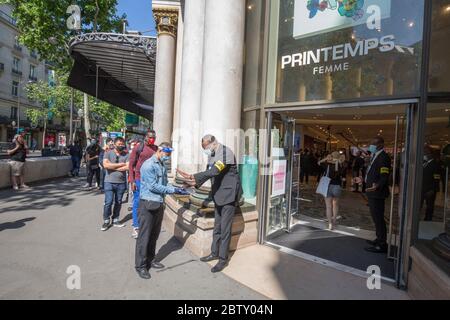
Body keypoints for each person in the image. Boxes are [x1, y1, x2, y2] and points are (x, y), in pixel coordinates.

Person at [177, 135, 242, 273]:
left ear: (213, 143)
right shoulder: (212, 154)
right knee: (217, 226)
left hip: (229, 195)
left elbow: (215, 171)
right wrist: (194, 182)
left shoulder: (226, 152)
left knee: (225, 229)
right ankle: (214, 252)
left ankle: (223, 259)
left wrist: (193, 176)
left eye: (205, 147)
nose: (205, 150)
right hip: (218, 194)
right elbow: (210, 173)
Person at [134, 142, 188, 280]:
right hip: (147, 204)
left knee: (154, 235)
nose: (168, 157)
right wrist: (173, 190)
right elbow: (153, 186)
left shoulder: (162, 165)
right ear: (159, 150)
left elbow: (164, 183)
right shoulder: (148, 165)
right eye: (167, 154)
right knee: (144, 237)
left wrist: (176, 187)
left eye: (170, 154)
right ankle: (140, 266)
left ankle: (150, 260)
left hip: (158, 204)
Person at [129, 131, 158, 239]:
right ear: (146, 137)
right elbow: (131, 165)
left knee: (150, 202)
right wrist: (132, 181)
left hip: (151, 181)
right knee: (137, 202)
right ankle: (136, 227)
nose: (152, 139)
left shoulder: (156, 148)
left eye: (154, 137)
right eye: (150, 137)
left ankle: (147, 225)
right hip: (139, 179)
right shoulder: (138, 147)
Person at [364, 136, 391, 253]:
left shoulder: (384, 157)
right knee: (375, 217)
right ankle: (379, 238)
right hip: (372, 192)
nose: (371, 145)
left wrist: (377, 185)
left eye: (373, 143)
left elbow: (384, 175)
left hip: (377, 193)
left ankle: (382, 244)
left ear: (380, 144)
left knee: (379, 218)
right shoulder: (375, 156)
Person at [101, 137, 130, 231]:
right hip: (109, 181)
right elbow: (105, 165)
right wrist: (121, 164)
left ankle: (115, 219)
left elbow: (128, 167)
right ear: (114, 143)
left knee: (118, 202)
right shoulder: (108, 152)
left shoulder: (127, 154)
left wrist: (112, 166)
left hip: (121, 183)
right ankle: (106, 220)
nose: (121, 145)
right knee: (108, 202)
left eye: (122, 144)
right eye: (119, 144)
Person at [318, 151, 344, 230]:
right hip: (337, 187)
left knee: (328, 206)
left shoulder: (327, 164)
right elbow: (343, 176)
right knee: (335, 205)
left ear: (331, 156)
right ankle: (334, 220)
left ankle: (330, 224)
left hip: (328, 186)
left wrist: (326, 158)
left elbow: (319, 162)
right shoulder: (341, 164)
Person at [421, 146, 441, 221]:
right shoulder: (423, 163)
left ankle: (428, 219)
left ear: (430, 154)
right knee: (419, 205)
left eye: (425, 152)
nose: (424, 154)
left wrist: (433, 189)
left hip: (430, 190)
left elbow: (436, 179)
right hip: (422, 188)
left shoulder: (435, 164)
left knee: (429, 206)